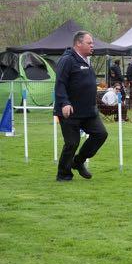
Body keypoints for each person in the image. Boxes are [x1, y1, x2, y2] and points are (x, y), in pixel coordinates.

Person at [54, 31, 108, 182]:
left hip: (89, 111)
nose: (92, 46)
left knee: (100, 134)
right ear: (78, 43)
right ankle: (64, 174)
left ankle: (78, 162)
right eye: (89, 43)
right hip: (70, 110)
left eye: (92, 43)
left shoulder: (86, 60)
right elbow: (60, 84)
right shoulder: (67, 60)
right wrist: (64, 102)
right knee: (72, 143)